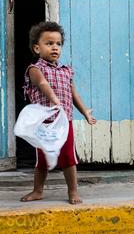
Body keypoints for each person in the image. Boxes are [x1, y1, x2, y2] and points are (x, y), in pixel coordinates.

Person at [20, 21, 96, 204]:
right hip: (44, 124)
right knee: (43, 159)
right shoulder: (35, 69)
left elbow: (73, 93)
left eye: (58, 44)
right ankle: (38, 190)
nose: (55, 47)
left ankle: (73, 192)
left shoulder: (66, 70)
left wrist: (85, 111)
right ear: (37, 48)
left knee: (69, 158)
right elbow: (43, 85)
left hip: (64, 121)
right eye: (49, 43)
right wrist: (55, 100)